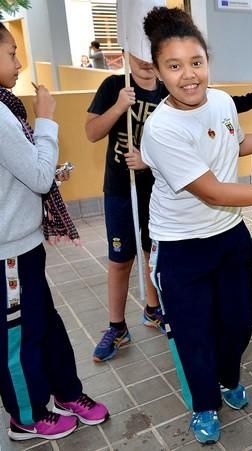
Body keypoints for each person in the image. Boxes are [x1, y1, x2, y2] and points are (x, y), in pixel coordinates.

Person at [140, 7, 252, 445]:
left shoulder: (219, 102)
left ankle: (227, 377)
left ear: (207, 61)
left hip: (227, 236)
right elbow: (215, 191)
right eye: (174, 66)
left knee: (239, 321)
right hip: (180, 247)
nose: (189, 75)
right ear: (159, 72)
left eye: (196, 62)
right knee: (195, 331)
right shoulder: (160, 130)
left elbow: (234, 145)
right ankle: (204, 404)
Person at [0, 23, 109, 442]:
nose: (20, 61)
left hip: (23, 245)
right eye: (12, 53)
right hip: (9, 252)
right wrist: (46, 121)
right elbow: (40, 177)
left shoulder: (6, 106)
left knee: (44, 324)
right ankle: (26, 417)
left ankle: (66, 393)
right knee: (19, 337)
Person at [86, 51, 167, 362]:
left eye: (152, 52)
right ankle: (117, 327)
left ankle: (152, 309)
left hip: (158, 189)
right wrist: (120, 105)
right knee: (120, 260)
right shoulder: (112, 86)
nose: (146, 60)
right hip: (120, 189)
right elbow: (91, 132)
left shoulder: (166, 89)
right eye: (139, 53)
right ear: (125, 52)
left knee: (152, 253)